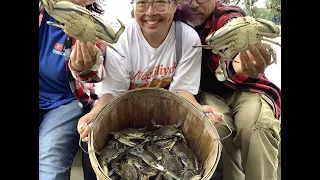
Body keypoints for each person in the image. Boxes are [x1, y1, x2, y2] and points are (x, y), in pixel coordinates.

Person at [72, 0, 224, 145]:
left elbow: (181, 92)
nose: (150, 12)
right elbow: (113, 93)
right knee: (89, 143)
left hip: (164, 115)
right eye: (142, 2)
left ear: (175, 4)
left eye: (160, 2)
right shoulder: (122, 38)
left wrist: (197, 108)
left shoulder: (187, 39)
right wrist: (94, 114)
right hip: (124, 113)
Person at [175, 0, 281, 180]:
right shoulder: (176, 18)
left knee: (256, 127)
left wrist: (239, 62)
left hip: (247, 87)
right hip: (209, 93)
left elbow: (234, 26)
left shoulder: (225, 15)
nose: (193, 4)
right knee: (219, 130)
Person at [39, 0, 106, 179]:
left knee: (50, 163)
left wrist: (83, 68)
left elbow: (95, 75)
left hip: (67, 101)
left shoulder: (94, 26)